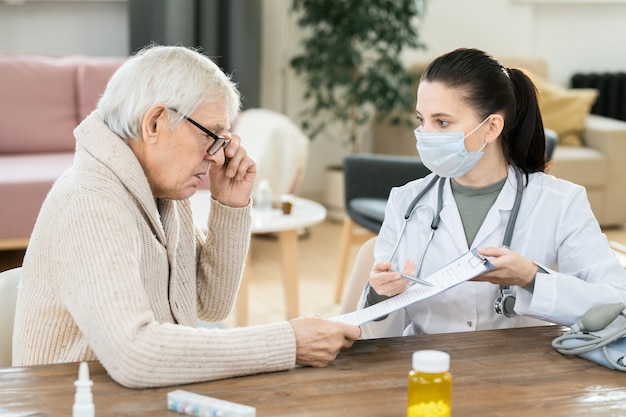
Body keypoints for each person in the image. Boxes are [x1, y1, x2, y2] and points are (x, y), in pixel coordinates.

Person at [12, 45, 361, 388]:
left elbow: (211, 304)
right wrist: (290, 342)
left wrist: (231, 206)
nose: (217, 156)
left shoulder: (162, 191)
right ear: (155, 123)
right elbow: (134, 355)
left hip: (136, 397)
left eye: (223, 140)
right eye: (211, 136)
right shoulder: (89, 202)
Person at [358, 48, 626, 338]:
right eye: (422, 120)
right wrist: (379, 297)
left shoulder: (560, 202)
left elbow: (617, 306)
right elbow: (379, 337)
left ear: (492, 127)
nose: (426, 134)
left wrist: (531, 279)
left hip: (526, 375)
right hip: (429, 367)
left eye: (442, 122)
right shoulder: (406, 202)